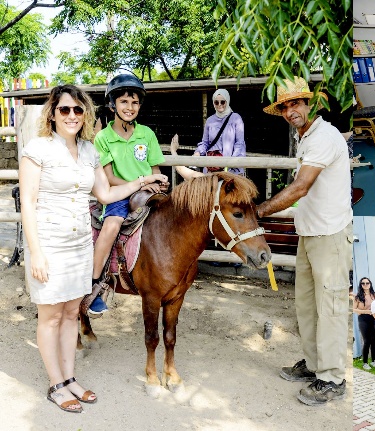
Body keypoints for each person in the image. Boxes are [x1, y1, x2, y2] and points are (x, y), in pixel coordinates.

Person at [19, 85, 167, 413]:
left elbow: (105, 194)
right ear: (53, 114)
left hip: (80, 245)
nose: (72, 116)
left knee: (72, 313)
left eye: (78, 110)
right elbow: (27, 205)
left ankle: (70, 378)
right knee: (51, 316)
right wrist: (37, 252)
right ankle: (56, 384)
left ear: (85, 113)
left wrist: (141, 182)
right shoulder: (37, 149)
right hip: (49, 243)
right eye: (65, 110)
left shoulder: (88, 150)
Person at [257, 77, 353, 406]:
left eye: (295, 103)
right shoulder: (307, 136)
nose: (290, 110)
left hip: (330, 234)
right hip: (310, 232)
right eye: (284, 106)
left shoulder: (323, 136)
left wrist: (260, 211)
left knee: (331, 307)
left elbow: (300, 188)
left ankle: (333, 379)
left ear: (309, 103)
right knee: (307, 306)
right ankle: (315, 367)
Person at [89, 74, 168, 317]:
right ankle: (94, 283)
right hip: (119, 194)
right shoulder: (103, 138)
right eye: (123, 102)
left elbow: (155, 169)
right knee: (112, 225)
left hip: (147, 192)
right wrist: (139, 184)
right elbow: (110, 178)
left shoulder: (146, 134)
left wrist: (158, 182)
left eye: (134, 103)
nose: (129, 108)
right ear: (113, 104)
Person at [172, 89, 245, 174]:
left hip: (230, 169)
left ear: (227, 101)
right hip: (212, 167)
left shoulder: (236, 118)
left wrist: (232, 162)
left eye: (222, 102)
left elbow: (239, 143)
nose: (219, 105)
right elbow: (205, 143)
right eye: (216, 102)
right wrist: (198, 153)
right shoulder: (210, 120)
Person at [353, 277, 375, 370]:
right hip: (363, 319)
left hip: (374, 319)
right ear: (361, 285)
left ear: (370, 284)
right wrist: (365, 312)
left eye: (367, 283)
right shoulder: (358, 296)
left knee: (373, 340)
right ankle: (365, 362)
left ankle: (373, 360)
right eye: (363, 283)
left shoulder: (374, 295)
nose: (365, 285)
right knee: (366, 341)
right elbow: (353, 309)